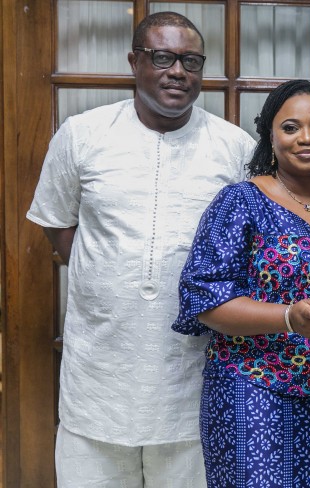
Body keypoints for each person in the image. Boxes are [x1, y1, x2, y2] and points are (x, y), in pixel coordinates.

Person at [26, 12, 256, 487]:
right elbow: (58, 224)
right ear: (135, 62)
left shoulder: (234, 148)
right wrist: (111, 272)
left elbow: (248, 248)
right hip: (98, 382)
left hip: (190, 383)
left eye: (191, 60)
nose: (178, 71)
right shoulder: (82, 134)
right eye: (163, 57)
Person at [173, 79, 310, 487]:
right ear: (270, 137)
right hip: (250, 390)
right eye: (290, 127)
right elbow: (203, 298)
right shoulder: (240, 202)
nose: (306, 137)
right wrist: (289, 317)